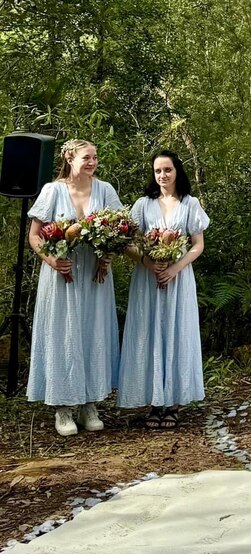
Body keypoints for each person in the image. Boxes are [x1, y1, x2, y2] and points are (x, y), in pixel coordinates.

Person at [27, 139, 121, 436]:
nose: (93, 162)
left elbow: (120, 230)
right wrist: (53, 260)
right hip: (61, 275)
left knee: (94, 332)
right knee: (63, 334)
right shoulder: (52, 191)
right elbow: (34, 236)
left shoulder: (105, 190)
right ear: (69, 158)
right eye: (86, 157)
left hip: (94, 275)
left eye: (95, 157)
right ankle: (64, 408)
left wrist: (108, 255)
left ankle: (90, 404)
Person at [117, 151, 209, 429]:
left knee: (175, 331)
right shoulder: (143, 205)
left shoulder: (190, 204)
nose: (162, 175)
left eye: (167, 170)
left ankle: (173, 403)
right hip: (148, 280)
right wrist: (147, 262)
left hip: (178, 280)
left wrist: (173, 268)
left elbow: (198, 245)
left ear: (177, 171)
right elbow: (127, 242)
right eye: (157, 171)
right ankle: (154, 401)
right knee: (149, 332)